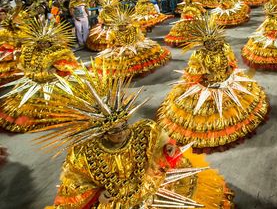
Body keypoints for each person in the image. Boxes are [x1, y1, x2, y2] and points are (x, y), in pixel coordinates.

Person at [36, 63, 235, 209]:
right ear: (101, 133)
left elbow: (162, 143)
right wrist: (96, 195)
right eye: (114, 130)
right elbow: (75, 182)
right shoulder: (85, 153)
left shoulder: (144, 130)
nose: (122, 132)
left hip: (150, 184)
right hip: (114, 201)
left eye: (124, 125)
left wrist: (168, 149)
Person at [158, 14, 269, 152]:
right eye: (208, 43)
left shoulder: (225, 49)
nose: (212, 44)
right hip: (207, 85)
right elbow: (194, 72)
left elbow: (231, 63)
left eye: (214, 41)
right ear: (204, 44)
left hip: (226, 81)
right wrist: (205, 75)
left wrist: (229, 69)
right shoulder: (199, 55)